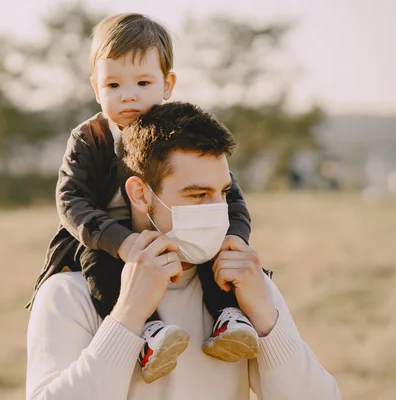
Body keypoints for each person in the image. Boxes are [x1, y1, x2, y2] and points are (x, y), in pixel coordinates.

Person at [26, 102, 341, 400]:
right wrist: (127, 316)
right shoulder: (69, 293)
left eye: (223, 194)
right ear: (140, 195)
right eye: (198, 195)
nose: (218, 210)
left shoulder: (244, 286)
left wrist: (265, 318)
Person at [26, 13, 255, 383]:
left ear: (167, 85)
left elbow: (227, 194)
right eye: (113, 84)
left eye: (143, 82)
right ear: (96, 89)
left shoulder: (178, 135)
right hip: (103, 231)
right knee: (97, 264)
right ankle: (147, 331)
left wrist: (235, 238)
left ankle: (227, 316)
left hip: (170, 224)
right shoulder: (90, 137)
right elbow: (71, 200)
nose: (128, 94)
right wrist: (122, 242)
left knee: (209, 246)